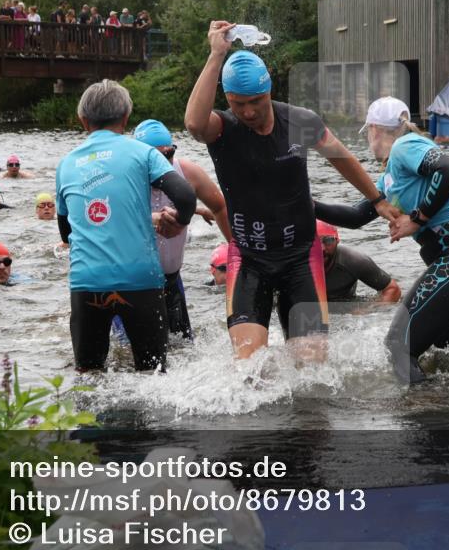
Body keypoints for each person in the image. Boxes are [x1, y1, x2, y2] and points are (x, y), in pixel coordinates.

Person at [184, 20, 400, 361]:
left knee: (311, 370)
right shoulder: (222, 130)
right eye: (239, 103)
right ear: (227, 99)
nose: (249, 111)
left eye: (256, 100)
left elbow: (341, 158)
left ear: (270, 90)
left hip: (300, 258)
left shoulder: (300, 121)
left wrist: (378, 199)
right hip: (249, 259)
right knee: (249, 371)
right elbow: (194, 124)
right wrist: (216, 56)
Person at [315, 97, 449, 384]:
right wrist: (305, 204)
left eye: (367, 134)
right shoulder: (392, 178)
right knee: (438, 355)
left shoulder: (404, 145)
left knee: (397, 348)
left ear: (374, 129)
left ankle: (420, 412)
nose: (369, 140)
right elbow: (355, 216)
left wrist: (417, 218)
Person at [56, 79, 196, 373]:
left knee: (89, 376)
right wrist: (179, 224)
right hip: (141, 280)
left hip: (87, 282)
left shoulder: (66, 164)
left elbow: (66, 231)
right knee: (153, 374)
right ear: (125, 117)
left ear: (83, 121)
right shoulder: (143, 153)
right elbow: (184, 194)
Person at [133, 119, 232, 341]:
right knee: (128, 358)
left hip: (171, 280)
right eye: (155, 157)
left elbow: (220, 206)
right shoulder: (126, 178)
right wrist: (152, 219)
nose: (163, 163)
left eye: (169, 154)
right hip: (133, 286)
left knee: (183, 347)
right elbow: (113, 219)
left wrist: (239, 251)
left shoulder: (187, 172)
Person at [317, 220, 401, 303]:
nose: (322, 249)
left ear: (337, 240)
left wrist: (369, 310)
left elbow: (392, 289)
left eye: (328, 240)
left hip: (344, 305)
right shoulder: (303, 262)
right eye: (315, 242)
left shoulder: (353, 261)